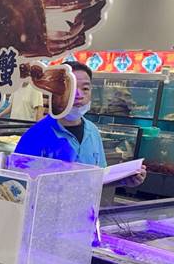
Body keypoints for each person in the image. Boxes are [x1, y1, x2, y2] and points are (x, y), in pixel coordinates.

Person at [14, 61, 147, 187]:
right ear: (55, 92)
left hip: (87, 204)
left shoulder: (93, 131)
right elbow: (19, 185)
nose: (79, 95)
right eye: (71, 88)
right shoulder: (35, 136)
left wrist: (123, 180)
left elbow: (98, 179)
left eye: (85, 88)